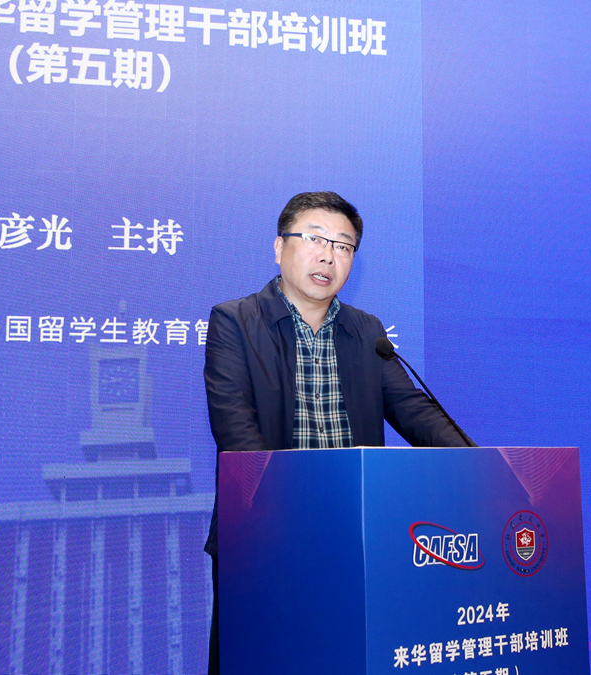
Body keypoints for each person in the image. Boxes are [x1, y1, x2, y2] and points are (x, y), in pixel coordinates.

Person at [202, 191, 471, 674]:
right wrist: (290, 516)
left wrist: (476, 461)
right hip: (265, 537)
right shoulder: (235, 321)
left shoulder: (366, 331)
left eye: (344, 246)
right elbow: (235, 429)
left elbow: (412, 408)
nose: (328, 256)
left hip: (355, 539)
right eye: (315, 239)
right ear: (279, 247)